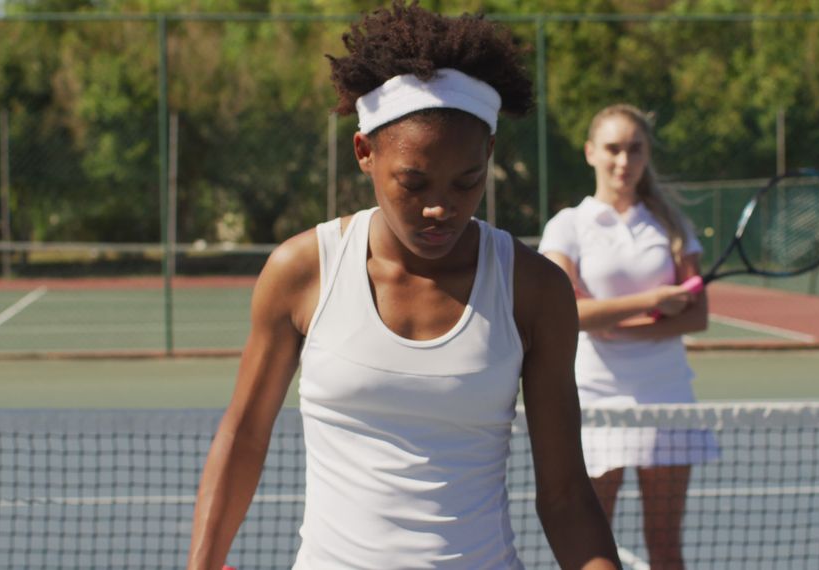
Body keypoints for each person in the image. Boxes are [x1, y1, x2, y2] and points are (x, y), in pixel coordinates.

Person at [186, 3, 620, 570]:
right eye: (413, 183)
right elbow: (244, 437)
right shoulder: (301, 270)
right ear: (364, 153)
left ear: (489, 153)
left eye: (467, 182)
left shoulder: (534, 289)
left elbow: (565, 494)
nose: (441, 206)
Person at [538, 104, 718, 570]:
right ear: (590, 153)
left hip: (666, 395)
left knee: (665, 544)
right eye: (613, 149)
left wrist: (611, 321)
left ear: (646, 154)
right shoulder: (568, 225)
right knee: (592, 545)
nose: (624, 161)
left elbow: (696, 317)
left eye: (634, 149)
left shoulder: (672, 224)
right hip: (596, 398)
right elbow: (566, 313)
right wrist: (652, 302)